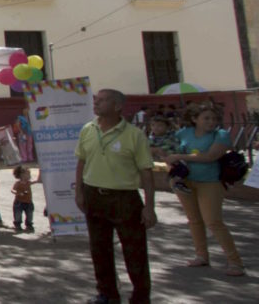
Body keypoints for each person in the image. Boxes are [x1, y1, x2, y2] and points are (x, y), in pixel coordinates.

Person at [75, 88, 157, 304]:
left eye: (102, 100)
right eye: (96, 100)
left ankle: (140, 297)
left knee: (135, 252)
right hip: (94, 195)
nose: (96, 103)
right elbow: (81, 162)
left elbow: (146, 173)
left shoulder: (134, 135)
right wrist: (79, 192)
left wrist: (149, 206)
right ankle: (107, 293)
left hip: (124, 199)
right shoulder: (88, 129)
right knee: (99, 249)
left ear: (117, 106)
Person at [166, 103, 246, 276]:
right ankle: (201, 255)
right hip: (186, 181)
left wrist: (180, 156)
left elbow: (211, 156)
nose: (211, 122)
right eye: (206, 118)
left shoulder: (221, 135)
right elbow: (168, 147)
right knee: (194, 220)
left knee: (213, 221)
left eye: (214, 118)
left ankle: (235, 262)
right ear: (195, 119)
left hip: (210, 183)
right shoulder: (184, 133)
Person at [10, 165, 38, 233]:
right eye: (28, 174)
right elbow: (12, 190)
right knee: (18, 214)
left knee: (29, 214)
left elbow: (37, 181)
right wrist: (17, 193)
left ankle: (29, 224)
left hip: (28, 201)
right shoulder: (18, 183)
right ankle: (18, 224)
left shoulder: (28, 183)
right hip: (19, 202)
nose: (29, 176)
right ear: (22, 175)